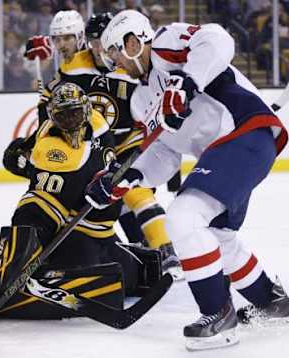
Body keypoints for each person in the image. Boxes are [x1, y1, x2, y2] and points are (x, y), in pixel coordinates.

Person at [85, 10, 289, 351]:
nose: (114, 64)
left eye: (114, 52)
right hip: (224, 153)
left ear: (133, 41)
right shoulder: (141, 101)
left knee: (184, 217)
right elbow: (164, 154)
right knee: (217, 236)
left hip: (245, 131)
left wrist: (187, 81)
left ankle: (217, 313)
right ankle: (271, 301)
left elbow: (216, 38)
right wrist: (129, 177)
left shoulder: (165, 44)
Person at [0, 82, 162, 320]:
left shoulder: (99, 132)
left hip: (89, 228)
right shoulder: (48, 133)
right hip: (58, 222)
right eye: (63, 115)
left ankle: (14, 276)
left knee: (124, 273)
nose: (70, 120)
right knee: (32, 207)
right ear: (53, 115)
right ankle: (9, 268)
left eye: (75, 113)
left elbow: (93, 176)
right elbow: (26, 160)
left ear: (86, 110)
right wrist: (17, 157)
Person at [24, 11, 183, 279]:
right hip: (90, 150)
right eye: (95, 41)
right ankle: (127, 254)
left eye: (104, 42)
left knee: (137, 193)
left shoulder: (130, 67)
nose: (99, 48)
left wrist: (168, 148)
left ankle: (166, 253)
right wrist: (45, 97)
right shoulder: (74, 67)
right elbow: (54, 105)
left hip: (126, 146)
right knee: (96, 203)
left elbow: (155, 106)